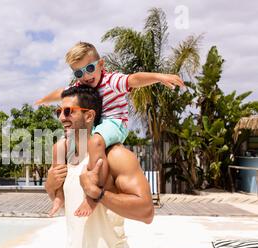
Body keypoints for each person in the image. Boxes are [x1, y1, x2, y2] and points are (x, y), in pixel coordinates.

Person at [38, 42, 184, 217]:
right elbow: (61, 93)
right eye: (78, 72)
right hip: (97, 126)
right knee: (58, 147)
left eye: (90, 68)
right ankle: (58, 197)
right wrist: (42, 100)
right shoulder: (80, 87)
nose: (85, 75)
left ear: (101, 64)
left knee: (96, 141)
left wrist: (159, 77)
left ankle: (92, 195)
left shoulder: (111, 81)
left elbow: (134, 79)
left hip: (115, 123)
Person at [44, 85, 154, 248]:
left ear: (89, 115)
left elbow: (146, 212)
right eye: (59, 112)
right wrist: (50, 187)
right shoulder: (65, 153)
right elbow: (67, 203)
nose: (61, 118)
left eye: (68, 111)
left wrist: (99, 194)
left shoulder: (117, 156)